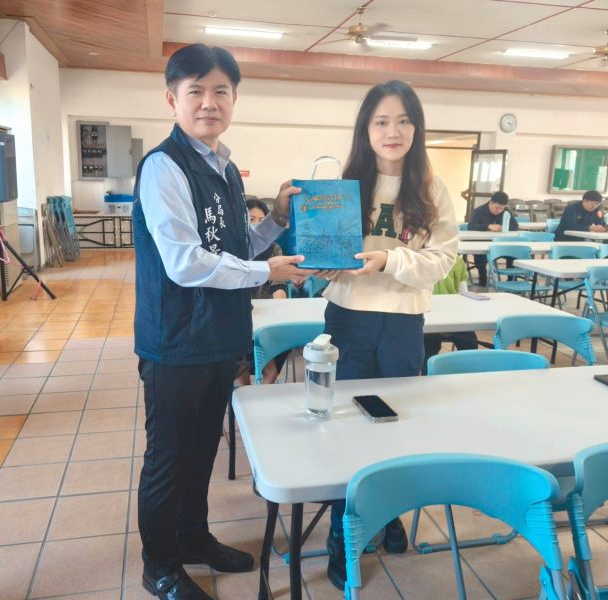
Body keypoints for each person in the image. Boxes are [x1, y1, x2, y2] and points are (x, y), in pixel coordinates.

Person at [132, 43, 312, 600]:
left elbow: (232, 248)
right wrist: (265, 269)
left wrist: (276, 220)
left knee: (204, 448)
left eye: (220, 91)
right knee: (168, 457)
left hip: (219, 336)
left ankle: (194, 538)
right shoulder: (163, 167)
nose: (208, 102)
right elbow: (185, 263)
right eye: (196, 91)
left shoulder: (226, 168)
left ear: (234, 99)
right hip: (174, 341)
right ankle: (160, 566)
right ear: (172, 99)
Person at [320, 80, 458, 590]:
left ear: (416, 128)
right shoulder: (343, 185)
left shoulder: (431, 189)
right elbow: (329, 256)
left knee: (394, 424)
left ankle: (387, 511)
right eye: (381, 121)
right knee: (346, 427)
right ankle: (344, 532)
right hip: (349, 318)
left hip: (403, 321)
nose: (392, 131)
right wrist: (321, 263)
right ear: (366, 128)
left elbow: (442, 261)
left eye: (403, 120)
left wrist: (389, 259)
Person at [235, 199, 288, 385]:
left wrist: (280, 310)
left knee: (271, 369)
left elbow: (278, 285)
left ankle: (260, 395)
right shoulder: (236, 249)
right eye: (251, 219)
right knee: (239, 359)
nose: (256, 224)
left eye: (261, 220)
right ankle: (245, 391)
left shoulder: (274, 248)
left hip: (266, 319)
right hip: (240, 318)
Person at [422, 255, 478, 374]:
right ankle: (427, 376)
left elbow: (463, 292)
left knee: (470, 341)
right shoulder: (418, 259)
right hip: (426, 316)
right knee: (429, 342)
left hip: (452, 314)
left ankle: (465, 375)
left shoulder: (456, 260)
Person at [468, 191, 519, 287]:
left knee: (513, 252)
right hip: (482, 243)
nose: (499, 210)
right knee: (480, 255)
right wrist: (488, 226)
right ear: (491, 202)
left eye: (501, 208)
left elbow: (515, 226)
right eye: (497, 207)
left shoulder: (506, 212)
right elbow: (471, 226)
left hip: (500, 244)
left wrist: (502, 227)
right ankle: (482, 278)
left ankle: (511, 280)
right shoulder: (479, 211)